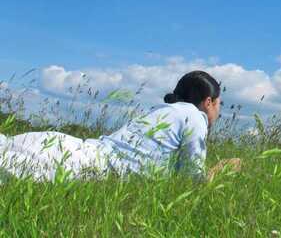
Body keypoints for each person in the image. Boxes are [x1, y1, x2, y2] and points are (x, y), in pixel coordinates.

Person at [0, 70, 241, 184]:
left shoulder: (163, 111)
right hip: (83, 166)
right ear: (208, 102)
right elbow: (192, 181)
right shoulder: (194, 115)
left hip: (72, 149)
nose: (218, 112)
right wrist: (220, 170)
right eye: (219, 104)